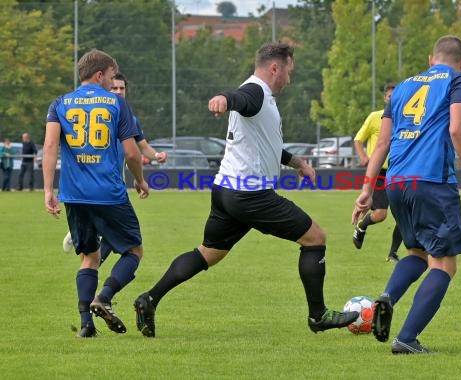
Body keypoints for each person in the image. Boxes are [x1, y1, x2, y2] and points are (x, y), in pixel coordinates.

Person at [133, 41, 359, 338]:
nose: (289, 79)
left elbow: (266, 145)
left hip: (226, 190)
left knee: (207, 254)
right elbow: (238, 98)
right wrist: (222, 99)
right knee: (315, 238)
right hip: (250, 195)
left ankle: (149, 298)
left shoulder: (262, 97)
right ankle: (318, 316)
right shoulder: (256, 91)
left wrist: (297, 162)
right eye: (288, 71)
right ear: (275, 68)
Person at [352, 35, 461, 354]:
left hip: (396, 181)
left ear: (430, 59)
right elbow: (456, 129)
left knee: (417, 253)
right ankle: (406, 338)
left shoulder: (402, 87)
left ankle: (387, 298)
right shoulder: (460, 79)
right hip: (431, 181)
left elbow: (381, 144)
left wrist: (368, 187)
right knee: (444, 265)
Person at [43, 49, 150, 338]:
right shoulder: (116, 102)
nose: (114, 82)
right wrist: (140, 180)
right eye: (112, 76)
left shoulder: (60, 103)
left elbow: (50, 147)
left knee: (89, 257)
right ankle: (104, 297)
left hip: (74, 195)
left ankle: (86, 326)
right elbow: (131, 152)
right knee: (133, 250)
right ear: (100, 74)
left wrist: (48, 190)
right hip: (109, 193)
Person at [61, 72, 167, 264]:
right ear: (105, 88)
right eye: (114, 88)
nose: (118, 91)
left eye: (122, 88)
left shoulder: (130, 118)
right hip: (100, 183)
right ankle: (94, 261)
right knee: (121, 235)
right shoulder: (98, 113)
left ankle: (92, 259)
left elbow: (142, 147)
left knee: (111, 233)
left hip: (114, 182)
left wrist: (157, 155)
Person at [353, 84, 403, 262]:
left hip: (401, 172)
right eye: (390, 96)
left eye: (395, 96)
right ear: (385, 98)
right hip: (380, 173)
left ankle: (393, 253)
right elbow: (358, 139)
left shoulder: (406, 117)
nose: (392, 99)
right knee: (381, 214)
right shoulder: (375, 117)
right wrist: (364, 157)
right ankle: (362, 225)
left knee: (405, 215)